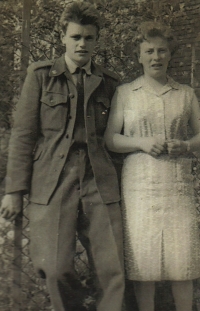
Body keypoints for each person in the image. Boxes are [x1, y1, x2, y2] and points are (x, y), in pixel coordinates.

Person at [0, 2, 125, 311]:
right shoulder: (41, 77)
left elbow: (116, 141)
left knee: (113, 272)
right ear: (63, 38)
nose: (82, 44)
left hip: (99, 179)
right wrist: (14, 191)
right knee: (54, 268)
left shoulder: (110, 83)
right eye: (76, 37)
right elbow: (23, 136)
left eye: (89, 38)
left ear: (97, 41)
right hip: (53, 180)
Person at [105, 21, 200, 311]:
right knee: (143, 266)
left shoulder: (185, 94)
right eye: (149, 51)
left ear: (170, 54)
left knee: (182, 263)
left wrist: (186, 146)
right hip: (141, 189)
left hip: (176, 187)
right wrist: (141, 143)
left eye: (162, 50)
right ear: (139, 56)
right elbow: (110, 139)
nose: (156, 57)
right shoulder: (125, 93)